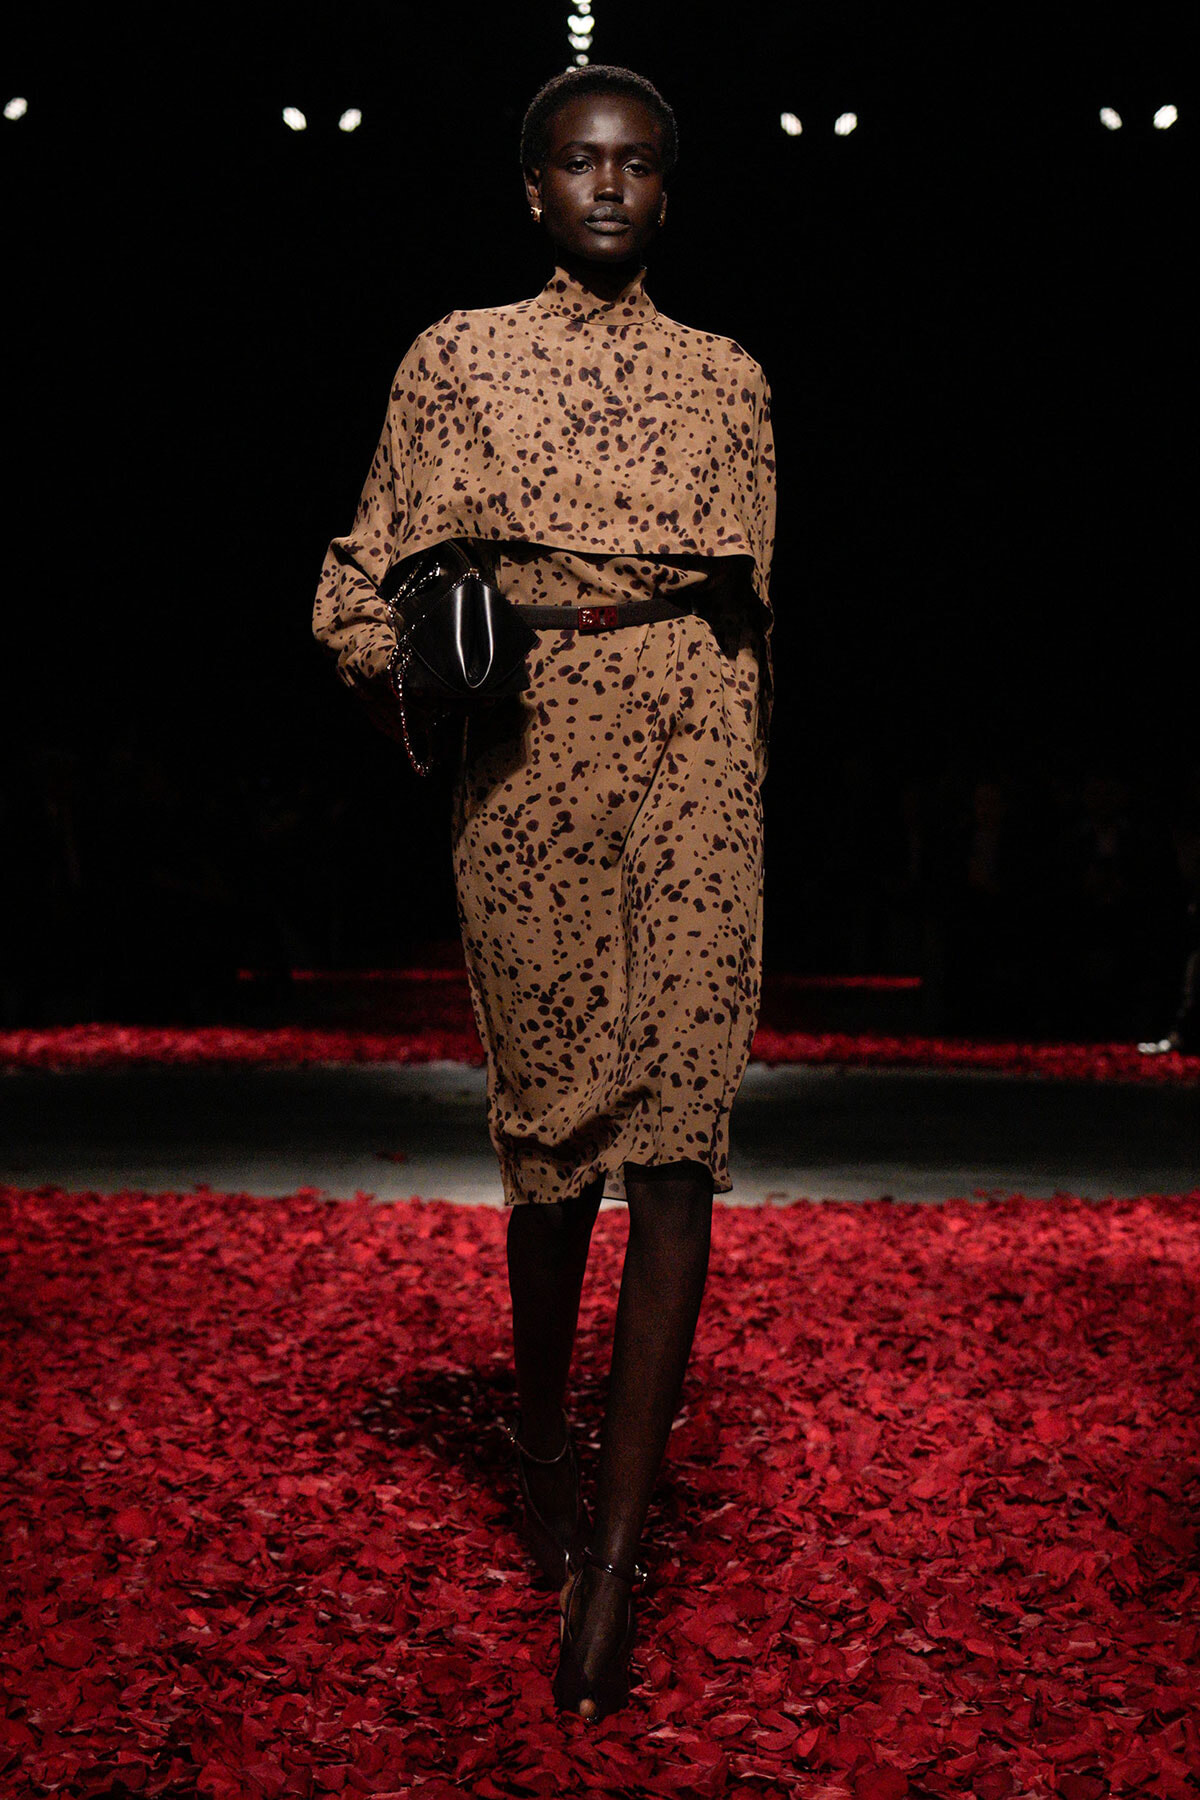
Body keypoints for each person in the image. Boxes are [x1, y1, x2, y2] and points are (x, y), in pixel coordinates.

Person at [312, 64, 777, 1723]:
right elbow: (355, 592)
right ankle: (531, 1420)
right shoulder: (455, 359)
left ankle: (612, 1555)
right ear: (531, 188)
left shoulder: (732, 381)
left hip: (700, 756)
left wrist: (735, 766)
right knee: (554, 1134)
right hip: (531, 756)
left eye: (637, 165)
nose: (606, 188)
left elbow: (755, 625)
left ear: (668, 190)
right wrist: (425, 708)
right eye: (577, 163)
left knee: (676, 1142)